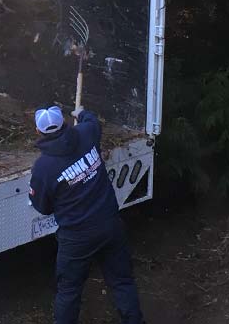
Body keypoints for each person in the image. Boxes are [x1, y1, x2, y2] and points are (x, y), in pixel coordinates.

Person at [29, 105, 143, 324]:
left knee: (69, 291)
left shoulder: (43, 169)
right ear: (64, 123)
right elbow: (93, 120)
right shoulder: (86, 133)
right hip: (109, 224)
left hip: (76, 238)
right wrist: (80, 112)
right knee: (122, 281)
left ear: (38, 132)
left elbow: (43, 207)